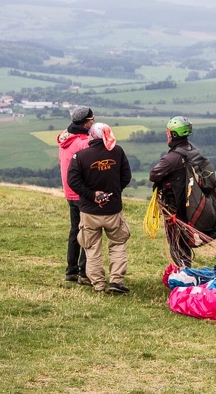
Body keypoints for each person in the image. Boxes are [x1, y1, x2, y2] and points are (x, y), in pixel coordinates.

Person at [67, 122, 132, 294]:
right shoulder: (117, 152)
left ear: (91, 135)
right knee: (118, 244)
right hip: (113, 210)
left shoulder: (80, 156)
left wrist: (92, 195)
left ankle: (98, 285)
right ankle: (116, 282)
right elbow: (126, 176)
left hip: (89, 211)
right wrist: (114, 192)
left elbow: (73, 181)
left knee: (92, 248)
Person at [149, 116, 216, 268]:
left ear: (174, 135)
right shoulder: (193, 151)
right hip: (190, 206)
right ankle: (185, 271)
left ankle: (184, 275)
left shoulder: (172, 158)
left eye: (168, 133)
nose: (167, 136)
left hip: (176, 209)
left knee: (177, 243)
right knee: (183, 243)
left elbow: (153, 175)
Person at [56, 106, 94, 284]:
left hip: (69, 192)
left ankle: (70, 270)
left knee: (74, 230)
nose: (93, 123)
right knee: (86, 232)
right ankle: (83, 273)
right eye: (92, 120)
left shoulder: (66, 138)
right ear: (86, 123)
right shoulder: (83, 143)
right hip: (82, 192)